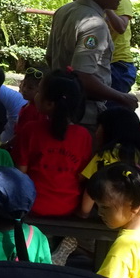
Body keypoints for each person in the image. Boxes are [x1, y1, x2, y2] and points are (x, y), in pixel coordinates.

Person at [44, 0, 138, 125]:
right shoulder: (95, 24)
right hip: (84, 114)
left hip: (61, 109)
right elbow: (82, 76)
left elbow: (51, 58)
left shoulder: (63, 10)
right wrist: (121, 97)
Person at [12, 69, 93, 217]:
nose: (36, 95)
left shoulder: (30, 130)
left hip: (33, 205)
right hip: (68, 207)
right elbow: (82, 176)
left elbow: (20, 173)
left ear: (49, 103)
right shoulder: (84, 136)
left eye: (39, 91)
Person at [78, 106, 140, 218]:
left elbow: (90, 188)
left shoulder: (106, 155)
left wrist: (84, 214)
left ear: (108, 130)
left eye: (99, 126)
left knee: (97, 185)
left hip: (112, 211)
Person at [107, 0, 136, 94]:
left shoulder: (123, 0)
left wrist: (107, 8)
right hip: (107, 62)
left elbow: (121, 27)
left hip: (118, 63)